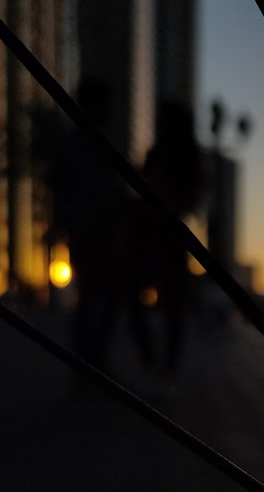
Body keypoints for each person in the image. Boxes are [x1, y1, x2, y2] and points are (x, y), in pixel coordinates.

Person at [48, 79, 129, 377]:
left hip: (101, 232)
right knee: (94, 298)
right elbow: (65, 187)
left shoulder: (94, 141)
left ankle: (93, 365)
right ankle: (89, 367)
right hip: (89, 232)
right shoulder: (76, 143)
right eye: (105, 105)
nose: (109, 111)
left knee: (102, 298)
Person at [129, 101, 204, 385]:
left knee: (173, 308)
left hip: (168, 235)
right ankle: (154, 363)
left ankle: (166, 370)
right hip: (149, 233)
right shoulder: (156, 153)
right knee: (138, 300)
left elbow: (192, 197)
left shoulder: (186, 157)